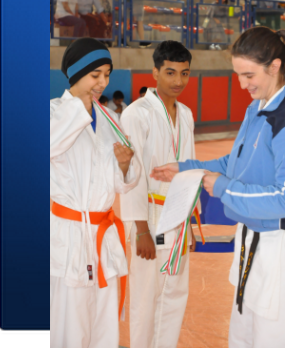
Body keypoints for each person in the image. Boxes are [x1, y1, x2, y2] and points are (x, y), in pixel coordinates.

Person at [151, 26, 285, 348]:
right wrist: (187, 168)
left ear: (275, 66)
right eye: (238, 75)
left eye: (249, 75)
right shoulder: (258, 106)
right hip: (251, 240)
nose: (242, 84)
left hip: (280, 248)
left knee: (272, 340)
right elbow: (234, 162)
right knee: (242, 338)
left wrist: (223, 188)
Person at [50, 38, 141, 348]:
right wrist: (79, 109)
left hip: (104, 236)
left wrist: (125, 166)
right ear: (76, 74)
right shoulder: (53, 113)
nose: (103, 83)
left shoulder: (111, 121)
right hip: (70, 234)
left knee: (103, 326)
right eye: (95, 75)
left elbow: (123, 183)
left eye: (107, 74)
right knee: (70, 324)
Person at [119, 41, 198, 348]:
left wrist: (189, 223)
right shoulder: (136, 114)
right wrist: (140, 230)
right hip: (149, 218)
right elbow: (133, 175)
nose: (178, 81)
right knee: (145, 298)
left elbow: (190, 170)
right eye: (170, 72)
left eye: (184, 73)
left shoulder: (187, 114)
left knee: (175, 295)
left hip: (178, 218)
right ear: (155, 72)